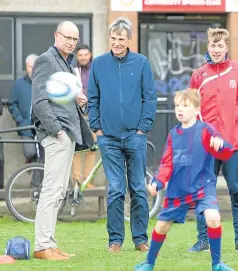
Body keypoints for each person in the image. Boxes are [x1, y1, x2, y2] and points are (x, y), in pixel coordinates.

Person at [134, 89, 235, 271]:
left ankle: (217, 264)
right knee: (162, 226)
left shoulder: (206, 130)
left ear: (197, 110)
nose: (180, 109)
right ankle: (149, 263)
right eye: (177, 106)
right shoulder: (174, 134)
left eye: (185, 106)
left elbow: (226, 151)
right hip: (178, 188)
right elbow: (167, 163)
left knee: (213, 217)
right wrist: (157, 181)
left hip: (203, 186)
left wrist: (221, 146)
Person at [88, 17, 157, 253]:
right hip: (108, 138)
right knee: (116, 188)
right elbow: (93, 99)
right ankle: (115, 240)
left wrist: (142, 128)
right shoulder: (98, 64)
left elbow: (150, 97)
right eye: (113, 38)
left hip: (135, 136)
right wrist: (96, 129)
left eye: (121, 38)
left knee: (137, 187)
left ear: (129, 39)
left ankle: (140, 240)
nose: (117, 42)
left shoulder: (141, 63)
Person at [31, 21, 94, 260]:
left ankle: (50, 243)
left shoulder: (66, 63)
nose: (71, 42)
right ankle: (42, 247)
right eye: (67, 37)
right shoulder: (46, 60)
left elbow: (57, 99)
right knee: (52, 190)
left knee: (58, 191)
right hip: (57, 135)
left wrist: (77, 100)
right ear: (56, 35)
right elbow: (39, 102)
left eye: (74, 39)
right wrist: (57, 131)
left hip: (67, 134)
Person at [189, 27, 238, 253]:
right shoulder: (199, 75)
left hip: (234, 145)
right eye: (213, 45)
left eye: (220, 45)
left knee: (237, 192)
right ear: (208, 46)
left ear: (226, 47)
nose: (216, 50)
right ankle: (203, 240)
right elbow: (192, 108)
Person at [8, 54, 45, 190]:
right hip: (26, 126)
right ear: (26, 67)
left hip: (42, 127)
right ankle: (35, 180)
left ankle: (36, 185)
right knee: (30, 152)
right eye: (30, 66)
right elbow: (12, 104)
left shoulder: (43, 83)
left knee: (42, 156)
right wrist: (20, 120)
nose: (33, 69)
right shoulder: (18, 84)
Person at [71, 44, 96, 188]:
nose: (83, 57)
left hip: (92, 114)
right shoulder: (73, 71)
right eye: (80, 55)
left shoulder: (96, 71)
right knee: (76, 150)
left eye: (85, 55)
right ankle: (77, 182)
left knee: (91, 149)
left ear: (90, 55)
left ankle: (88, 181)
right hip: (76, 115)